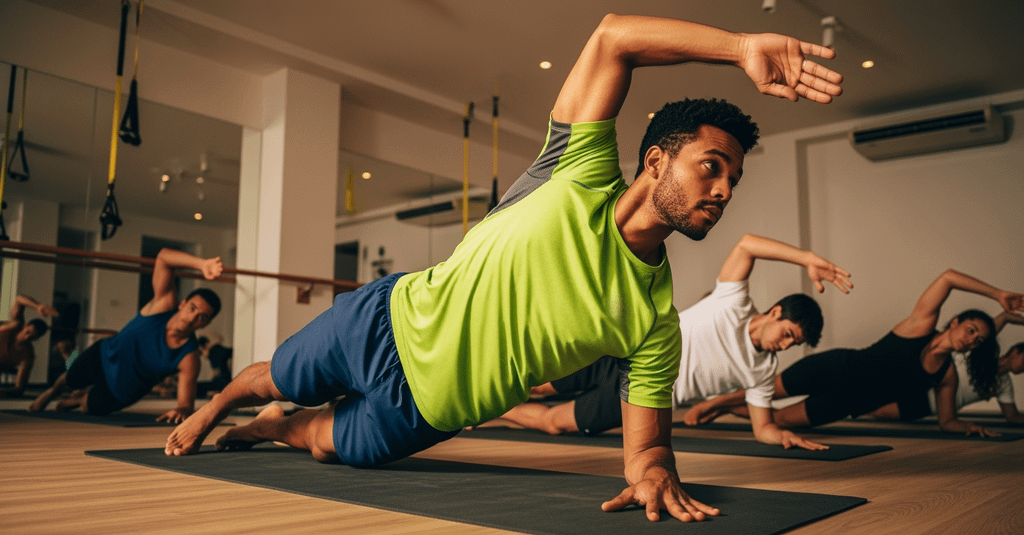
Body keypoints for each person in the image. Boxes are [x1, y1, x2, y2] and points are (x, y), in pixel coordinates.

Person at [165, 14, 843, 524]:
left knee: (316, 439)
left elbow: (645, 445)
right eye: (711, 167)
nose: (723, 190)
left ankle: (266, 427)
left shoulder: (655, 322)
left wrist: (654, 471)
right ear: (657, 161)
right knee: (276, 375)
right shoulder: (575, 168)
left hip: (422, 413)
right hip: (383, 319)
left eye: (733, 180)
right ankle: (220, 406)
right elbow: (613, 38)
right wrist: (737, 48)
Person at [496, 234, 852, 452]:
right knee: (539, 384)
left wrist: (782, 436)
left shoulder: (762, 369)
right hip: (629, 349)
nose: (785, 346)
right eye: (788, 334)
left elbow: (763, 428)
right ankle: (482, 393)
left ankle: (489, 411)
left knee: (555, 422)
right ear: (775, 313)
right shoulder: (734, 303)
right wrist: (806, 258)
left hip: (645, 393)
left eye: (794, 344)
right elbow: (747, 244)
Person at [702, 269, 1023, 437]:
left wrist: (970, 427)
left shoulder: (947, 375)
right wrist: (998, 296)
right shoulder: (918, 326)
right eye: (970, 330)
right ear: (955, 322)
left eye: (978, 340)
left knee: (780, 420)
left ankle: (725, 410)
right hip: (834, 367)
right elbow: (949, 277)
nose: (972, 340)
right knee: (767, 391)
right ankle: (717, 401)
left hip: (844, 404)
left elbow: (947, 421)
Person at [28, 248, 223, 423]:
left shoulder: (189, 357)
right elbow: (163, 257)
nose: (192, 318)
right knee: (69, 379)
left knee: (90, 410)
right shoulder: (163, 305)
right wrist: (202, 264)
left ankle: (79, 399)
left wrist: (183, 410)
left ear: (206, 323)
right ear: (183, 303)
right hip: (104, 356)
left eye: (201, 317)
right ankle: (53, 391)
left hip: (122, 390)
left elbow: (185, 404)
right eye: (192, 308)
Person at [866, 311, 1024, 425]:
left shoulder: (1004, 385)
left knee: (876, 412)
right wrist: (1007, 317)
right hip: (921, 382)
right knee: (869, 395)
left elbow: (1012, 416)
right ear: (1015, 352)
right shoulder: (979, 354)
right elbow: (985, 331)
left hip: (930, 406)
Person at [0, 295, 59, 397]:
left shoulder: (28, 355)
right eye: (27, 332)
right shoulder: (15, 326)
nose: (27, 338)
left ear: (36, 339)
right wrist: (38, 306)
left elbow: (19, 389)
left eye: (32, 337)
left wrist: (4, 392)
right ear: (25, 326)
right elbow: (19, 300)